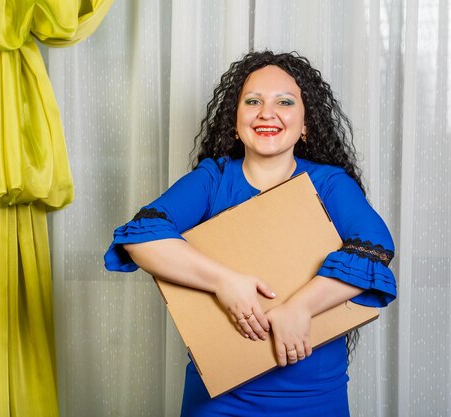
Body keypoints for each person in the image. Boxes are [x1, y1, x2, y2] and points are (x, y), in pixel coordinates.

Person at [104, 50, 397, 417]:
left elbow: (374, 251)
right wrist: (225, 283)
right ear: (235, 121)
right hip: (217, 401)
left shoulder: (330, 184)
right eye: (253, 101)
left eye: (285, 102)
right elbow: (140, 237)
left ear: (305, 124)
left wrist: (299, 308)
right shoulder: (213, 179)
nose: (266, 113)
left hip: (314, 399)